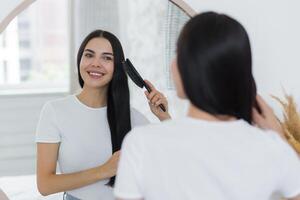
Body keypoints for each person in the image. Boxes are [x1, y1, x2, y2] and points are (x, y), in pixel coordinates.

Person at [114, 12, 300, 200]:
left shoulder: (141, 144)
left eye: (177, 53)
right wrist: (278, 137)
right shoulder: (271, 149)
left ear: (185, 67)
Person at [35, 30, 171, 200]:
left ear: (118, 67)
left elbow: (173, 160)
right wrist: (104, 170)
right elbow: (45, 185)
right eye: (89, 55)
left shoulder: (133, 119)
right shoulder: (54, 111)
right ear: (80, 60)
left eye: (107, 58)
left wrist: (164, 118)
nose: (96, 63)